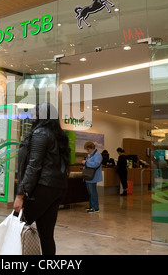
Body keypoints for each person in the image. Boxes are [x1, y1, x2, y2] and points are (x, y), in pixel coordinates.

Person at [13, 102, 70, 255]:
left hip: (42, 187)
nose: (31, 116)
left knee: (15, 225)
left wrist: (20, 194)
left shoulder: (40, 133)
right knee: (46, 235)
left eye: (34, 112)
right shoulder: (59, 136)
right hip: (57, 188)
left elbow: (34, 166)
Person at [82, 141, 103, 212]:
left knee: (93, 192)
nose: (87, 151)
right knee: (90, 192)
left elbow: (96, 164)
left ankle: (95, 207)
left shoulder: (98, 155)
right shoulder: (91, 155)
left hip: (93, 176)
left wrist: (86, 163)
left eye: (88, 149)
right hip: (89, 176)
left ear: (92, 148)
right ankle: (91, 206)